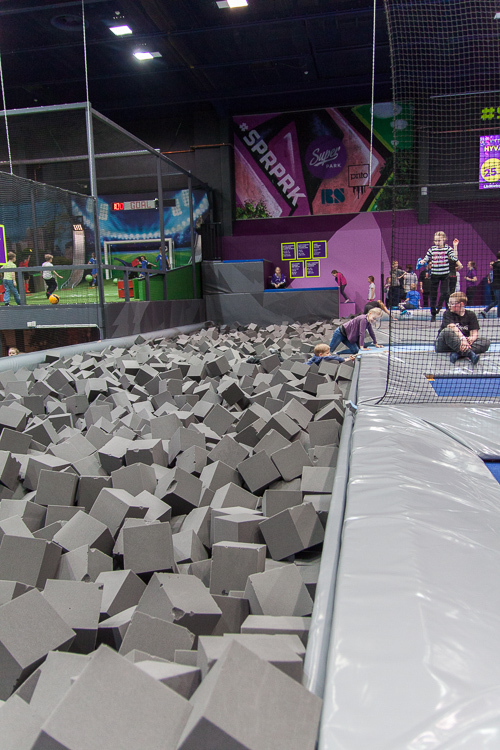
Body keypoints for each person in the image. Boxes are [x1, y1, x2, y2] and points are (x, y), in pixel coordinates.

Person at [435, 291, 490, 365]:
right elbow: (452, 327)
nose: (449, 306)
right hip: (445, 344)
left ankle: (458, 353)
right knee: (447, 331)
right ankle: (469, 353)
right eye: (449, 303)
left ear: (461, 304)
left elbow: (474, 333)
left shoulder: (471, 315)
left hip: (463, 343)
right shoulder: (447, 313)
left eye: (452, 304)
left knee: (485, 341)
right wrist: (462, 339)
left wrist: (471, 338)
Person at [421, 231, 458, 320]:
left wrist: (455, 246)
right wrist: (422, 261)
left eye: (439, 241)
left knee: (445, 293)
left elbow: (454, 258)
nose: (437, 243)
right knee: (433, 295)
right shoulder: (432, 249)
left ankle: (449, 313)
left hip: (445, 275)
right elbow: (426, 258)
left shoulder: (447, 249)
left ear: (444, 240)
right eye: (435, 241)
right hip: (434, 275)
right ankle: (433, 314)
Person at [481, 251, 500, 318]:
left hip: (495, 285)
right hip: (498, 285)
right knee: (498, 301)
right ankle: (499, 316)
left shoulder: (495, 264)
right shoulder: (498, 265)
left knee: (497, 301)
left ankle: (485, 310)